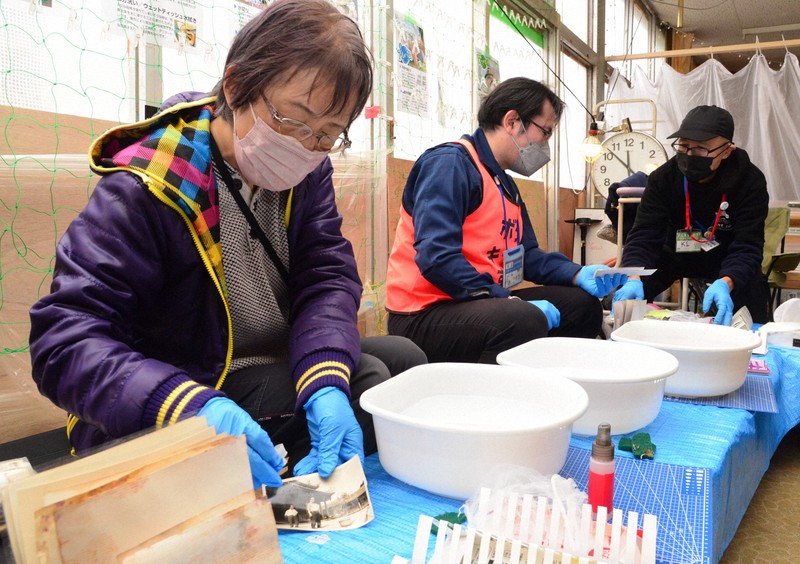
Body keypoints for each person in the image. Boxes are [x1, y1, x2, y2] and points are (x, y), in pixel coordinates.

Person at [28, 0, 426, 492]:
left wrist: (323, 379)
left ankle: (288, 483)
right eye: (292, 120)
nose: (305, 145)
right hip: (183, 389)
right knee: (369, 382)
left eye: (327, 134)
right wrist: (184, 405)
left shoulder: (307, 169)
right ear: (237, 86)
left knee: (404, 360)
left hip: (264, 365)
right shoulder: (149, 186)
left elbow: (326, 274)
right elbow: (62, 341)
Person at [384, 77, 626, 363]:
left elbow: (528, 258)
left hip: (476, 304)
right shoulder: (450, 165)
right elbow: (437, 257)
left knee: (582, 306)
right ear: (511, 121)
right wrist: (503, 298)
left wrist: (577, 273)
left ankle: (553, 387)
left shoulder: (505, 184)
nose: (545, 145)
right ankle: (491, 398)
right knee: (521, 319)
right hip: (423, 315)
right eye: (545, 132)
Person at [613, 105, 770, 325]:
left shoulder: (750, 181)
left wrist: (727, 281)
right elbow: (644, 234)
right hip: (677, 249)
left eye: (700, 149)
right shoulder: (664, 178)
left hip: (726, 255)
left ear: (727, 151)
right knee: (632, 287)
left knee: (750, 289)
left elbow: (748, 245)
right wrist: (633, 277)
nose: (689, 155)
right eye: (684, 146)